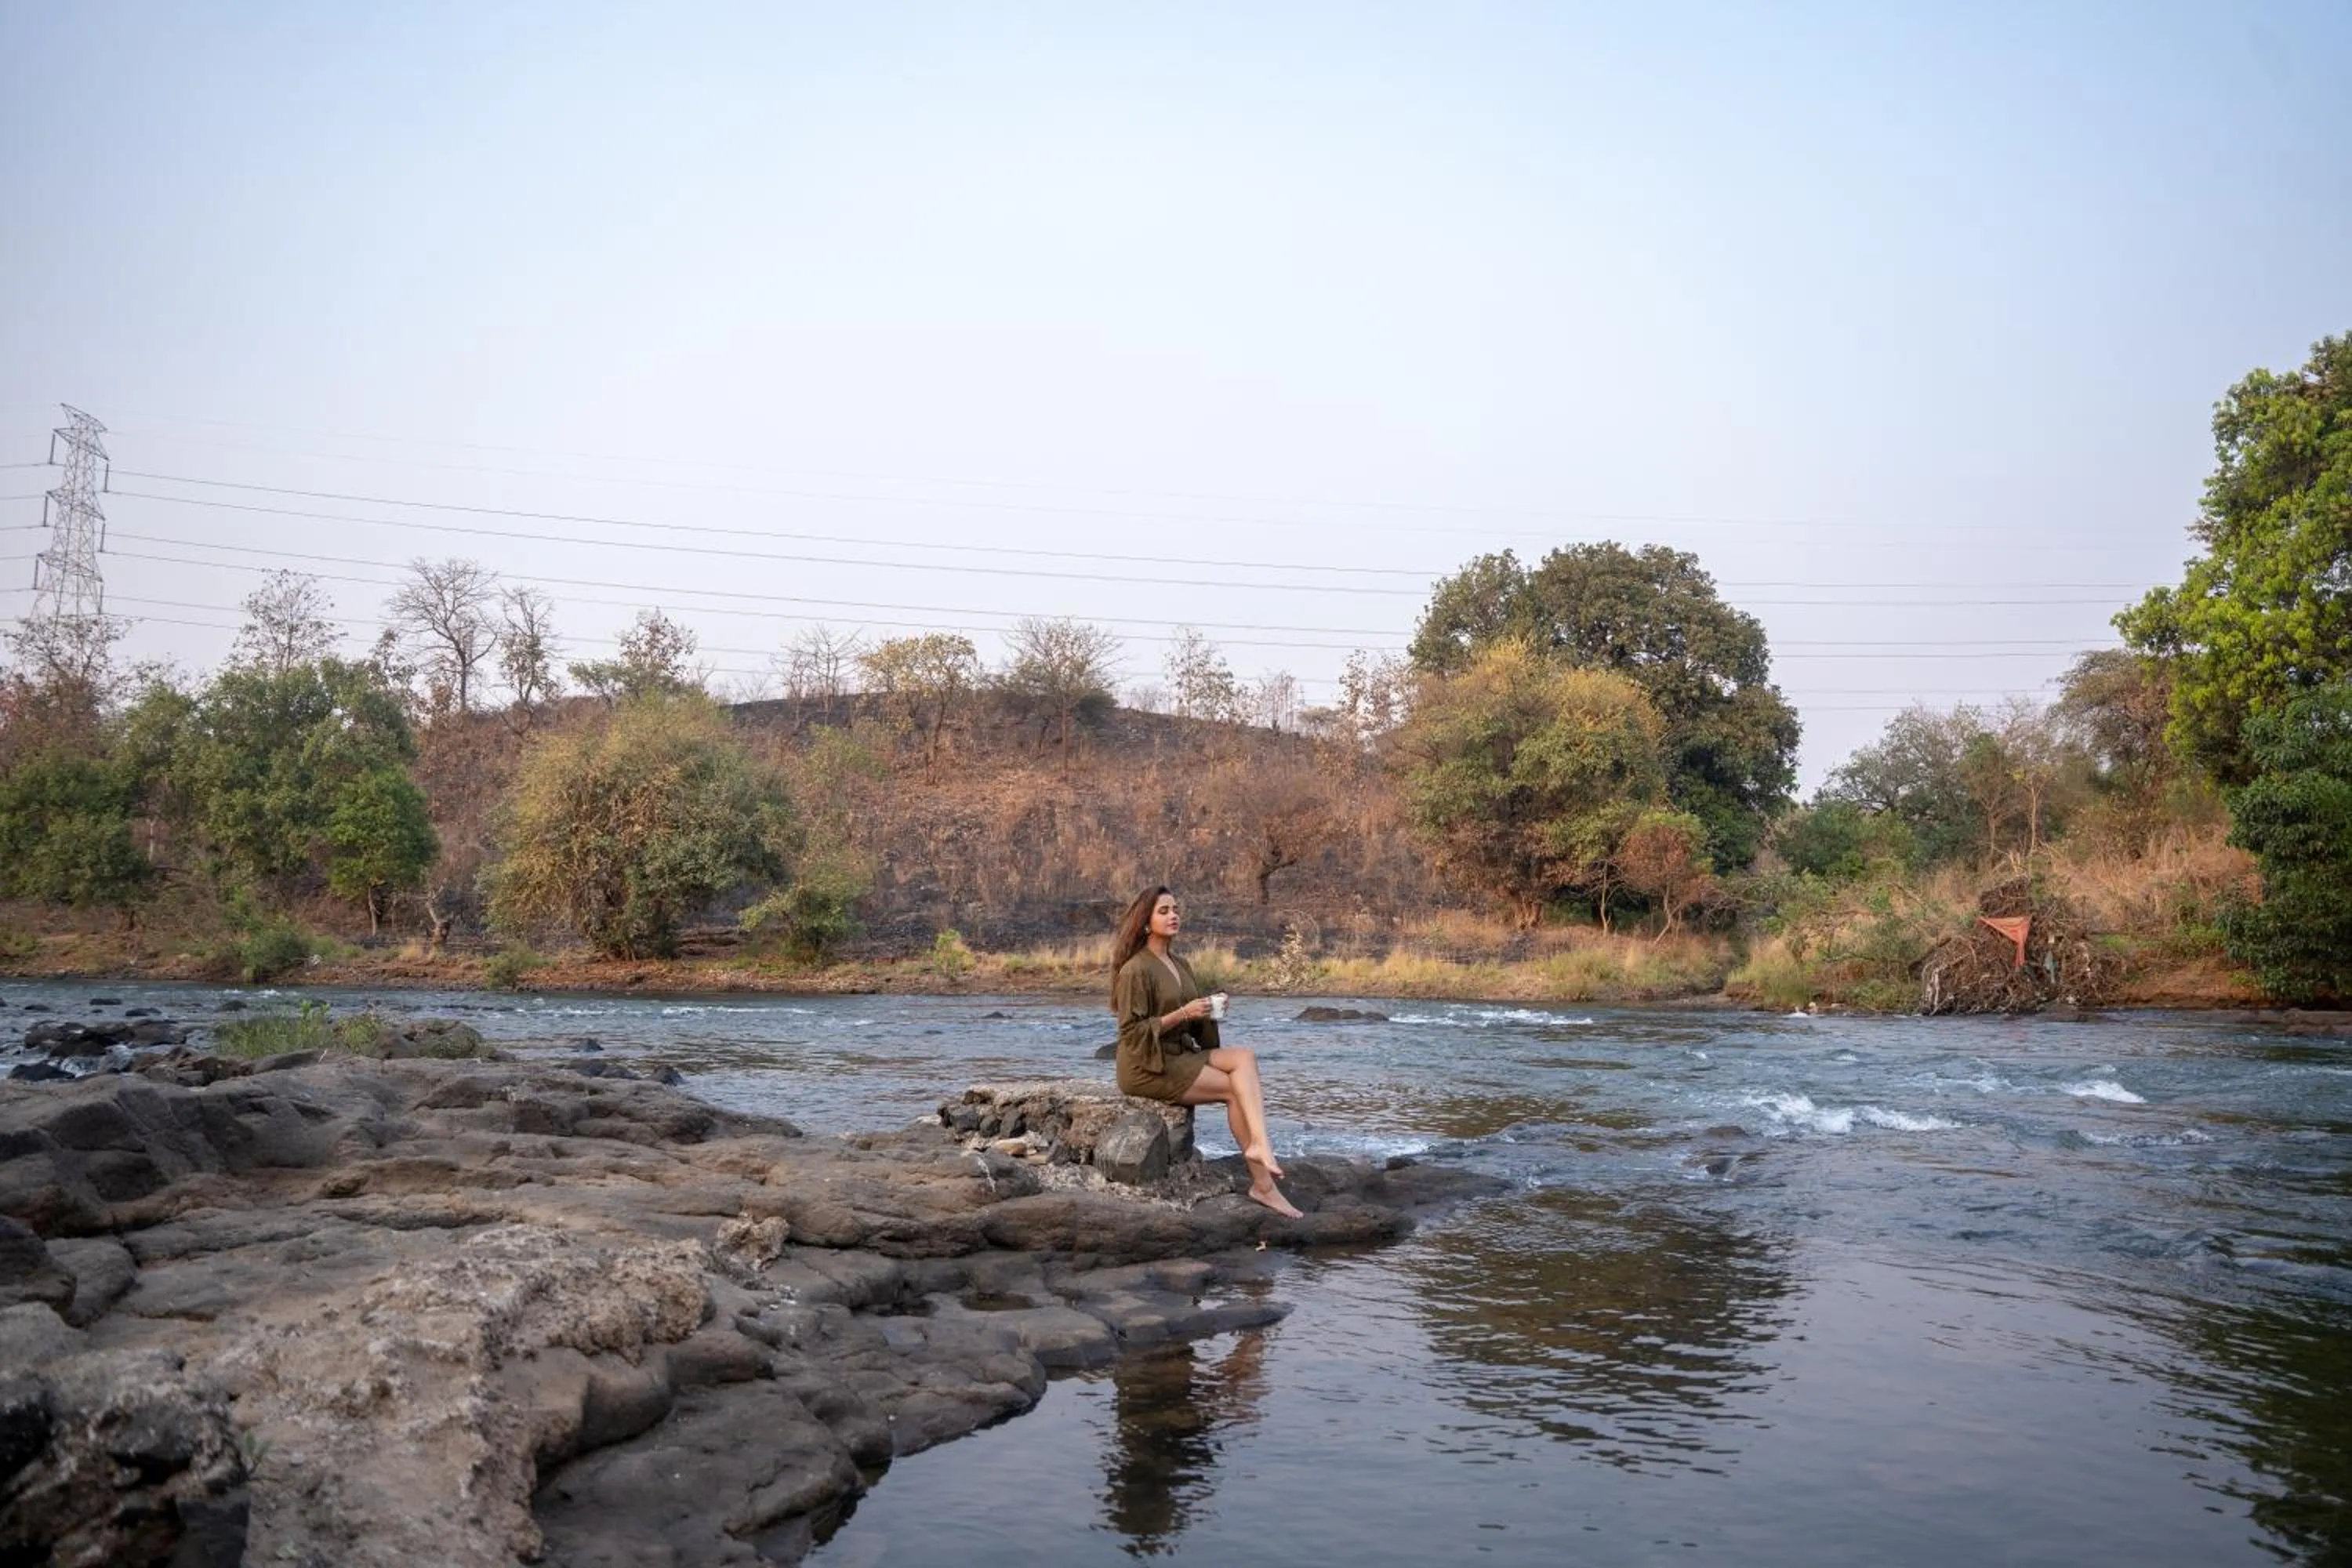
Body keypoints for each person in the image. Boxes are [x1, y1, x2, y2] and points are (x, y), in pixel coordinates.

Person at [1109, 886, 1301, 1218]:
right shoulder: (1135, 970)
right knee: (1232, 1090)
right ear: (1145, 921)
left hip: (1178, 1054)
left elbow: (1194, 1027)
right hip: (1146, 1066)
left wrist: (1210, 1010)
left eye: (1176, 909)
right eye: (1164, 911)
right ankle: (1264, 1185)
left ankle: (1260, 1144)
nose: (1174, 916)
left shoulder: (1179, 963)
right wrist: (1184, 1013)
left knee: (1244, 1058)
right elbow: (1131, 1034)